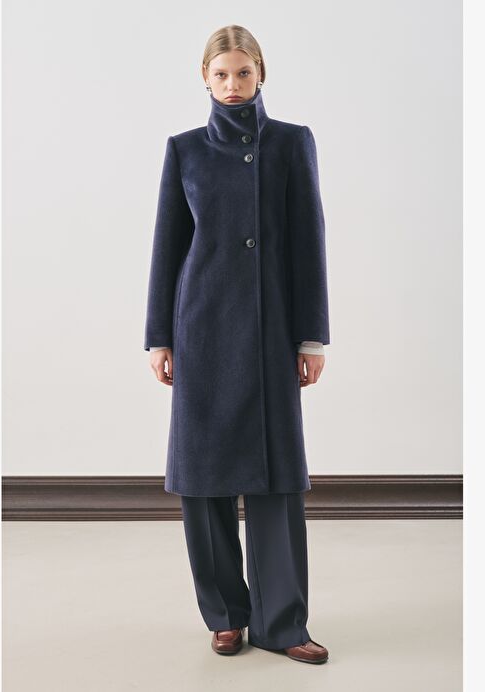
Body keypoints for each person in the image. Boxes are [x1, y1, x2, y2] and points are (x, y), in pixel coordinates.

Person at [144, 24, 330, 665]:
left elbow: (308, 243)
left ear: (261, 75)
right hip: (201, 329)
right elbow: (168, 248)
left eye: (243, 73)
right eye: (221, 74)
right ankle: (224, 615)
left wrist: (311, 337)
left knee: (277, 482)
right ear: (204, 77)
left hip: (272, 331)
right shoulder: (184, 150)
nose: (232, 85)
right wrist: (159, 336)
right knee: (204, 480)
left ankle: (283, 623)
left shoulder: (291, 143)